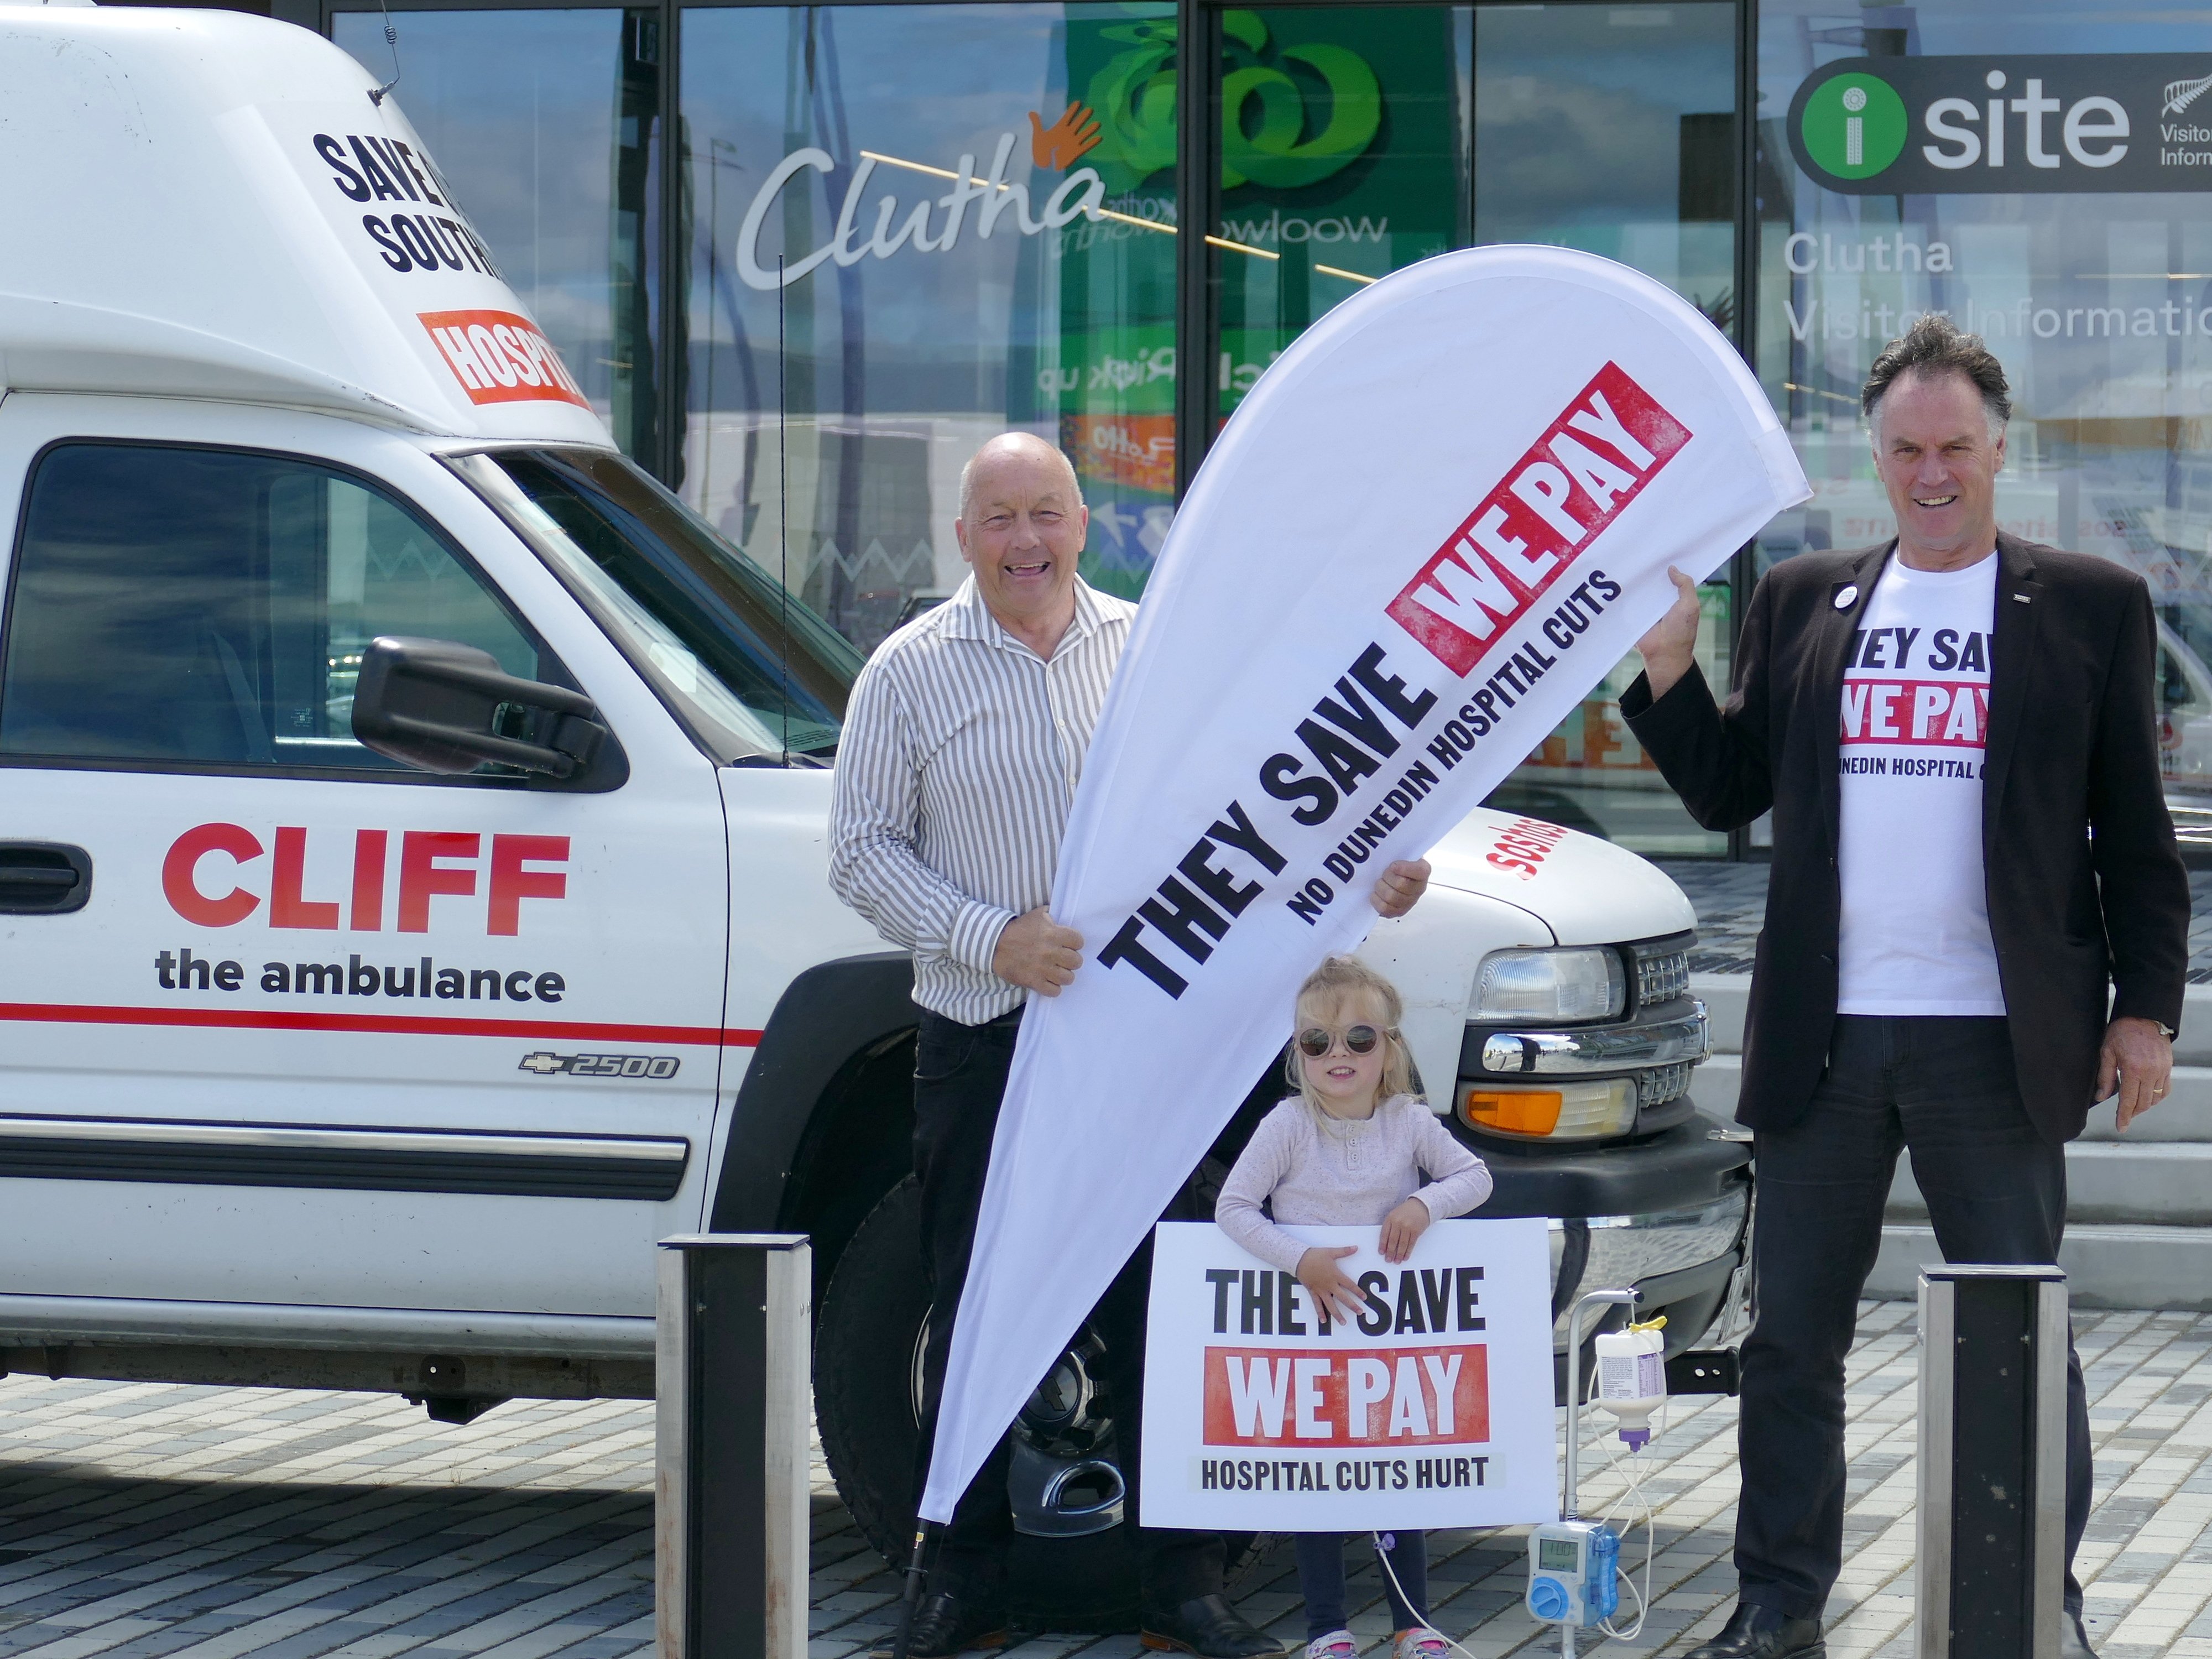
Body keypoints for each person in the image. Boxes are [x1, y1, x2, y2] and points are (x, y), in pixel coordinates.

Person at [1621, 315, 2189, 1659]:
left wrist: (2144, 1007)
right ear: (1870, 456)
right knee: (1790, 1340)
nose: (1929, 470)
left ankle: (2035, 1598)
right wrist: (1665, 666)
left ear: (1998, 448)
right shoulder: (1802, 596)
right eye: (1902, 448)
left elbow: (2135, 827)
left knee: (2017, 1325)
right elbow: (1727, 790)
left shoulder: (2092, 605)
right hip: (1827, 1039)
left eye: (1953, 445)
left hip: (1995, 1037)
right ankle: (1776, 1601)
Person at [829, 431, 1433, 1659]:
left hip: (1153, 1050)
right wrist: (987, 934)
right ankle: (961, 1580)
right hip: (985, 1033)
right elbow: (857, 852)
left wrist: (1370, 876)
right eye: (998, 520)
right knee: (979, 1302)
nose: (1025, 542)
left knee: (1172, 1302)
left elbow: (1252, 813)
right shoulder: (906, 672)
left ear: (1082, 524)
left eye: (1045, 513)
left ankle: (1181, 1584)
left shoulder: (1155, 656)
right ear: (962, 539)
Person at [1215, 956, 1490, 1659]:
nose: (1338, 1054)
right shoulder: (1286, 1127)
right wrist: (1297, 1259)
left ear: (1389, 1049)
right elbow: (1234, 1208)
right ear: (1297, 1053)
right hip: (1309, 1343)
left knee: (1395, 1477)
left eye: (1358, 1039)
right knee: (1321, 1484)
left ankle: (1412, 1624)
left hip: (1390, 1346)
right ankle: (1326, 1630)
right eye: (1317, 1042)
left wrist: (1421, 1204)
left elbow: (1475, 1177)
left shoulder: (1407, 1122)